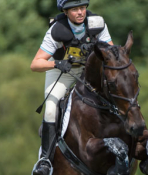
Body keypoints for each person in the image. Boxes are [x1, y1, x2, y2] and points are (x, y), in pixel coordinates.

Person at [31, 0, 113, 174]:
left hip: (90, 72)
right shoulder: (57, 30)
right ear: (66, 12)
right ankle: (45, 160)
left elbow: (112, 54)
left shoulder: (97, 23)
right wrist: (57, 64)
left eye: (82, 7)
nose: (80, 12)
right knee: (51, 109)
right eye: (75, 9)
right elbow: (35, 64)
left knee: (119, 95)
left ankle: (140, 141)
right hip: (63, 71)